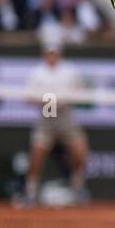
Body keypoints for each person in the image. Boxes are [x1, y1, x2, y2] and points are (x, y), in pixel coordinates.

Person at [20, 41, 90, 208]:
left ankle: (78, 187)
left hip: (66, 118)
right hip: (46, 116)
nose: (52, 57)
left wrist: (63, 100)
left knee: (81, 152)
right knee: (36, 156)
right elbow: (28, 97)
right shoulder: (36, 72)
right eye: (49, 53)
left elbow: (81, 93)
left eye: (55, 53)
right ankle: (30, 192)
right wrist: (47, 101)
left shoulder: (70, 71)